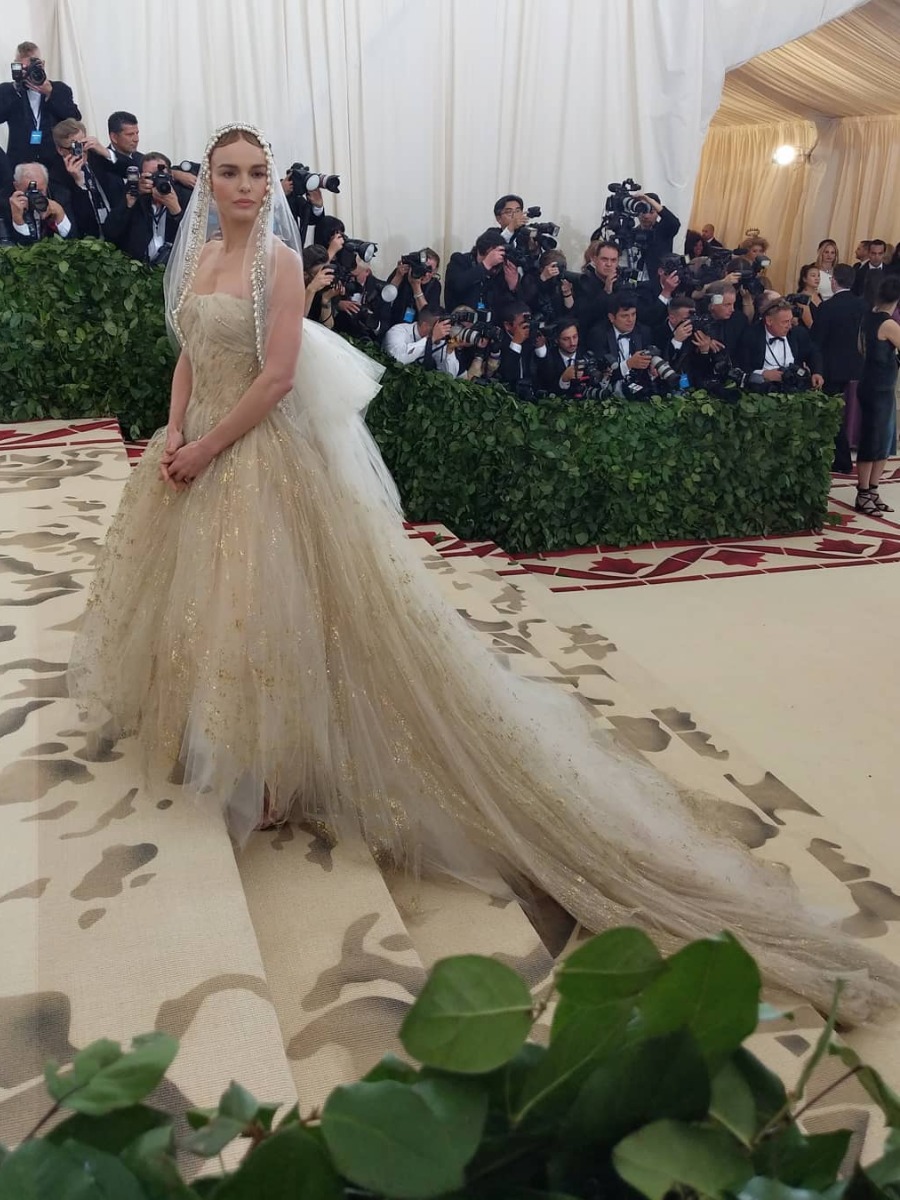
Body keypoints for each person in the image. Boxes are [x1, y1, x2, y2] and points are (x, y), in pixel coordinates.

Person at [67, 122, 900, 1024]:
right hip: (194, 450)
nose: (242, 185)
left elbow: (273, 379)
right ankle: (218, 735)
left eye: (257, 173)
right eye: (228, 173)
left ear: (270, 185)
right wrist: (175, 430)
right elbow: (192, 350)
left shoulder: (275, 261)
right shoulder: (195, 261)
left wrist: (208, 448)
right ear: (207, 183)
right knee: (200, 605)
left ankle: (268, 771)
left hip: (258, 457)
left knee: (268, 610)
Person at [811, 263, 868, 473]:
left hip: (830, 369)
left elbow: (816, 340)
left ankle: (840, 459)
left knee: (830, 414)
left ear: (833, 281)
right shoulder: (862, 305)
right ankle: (840, 458)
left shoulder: (827, 307)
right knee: (840, 413)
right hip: (856, 367)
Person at [854, 275, 900, 514]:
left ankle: (872, 490)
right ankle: (863, 493)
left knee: (883, 439)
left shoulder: (868, 316)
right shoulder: (889, 323)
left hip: (872, 382)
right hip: (879, 387)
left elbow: (860, 348)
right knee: (874, 439)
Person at [793, 263, 823, 329]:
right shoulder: (801, 298)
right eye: (813, 276)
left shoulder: (819, 295)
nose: (817, 278)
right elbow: (810, 324)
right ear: (804, 279)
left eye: (818, 276)